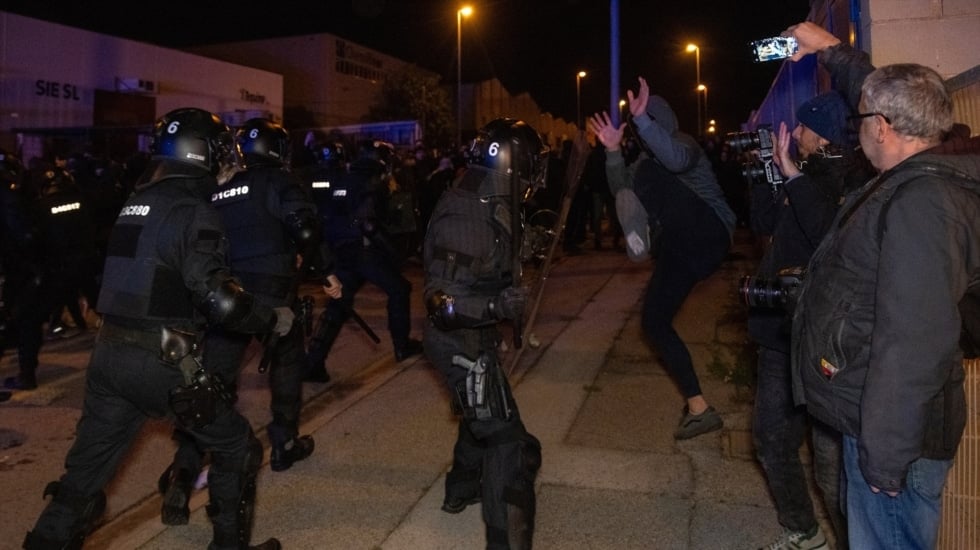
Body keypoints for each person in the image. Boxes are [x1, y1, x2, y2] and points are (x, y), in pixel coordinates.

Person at [21, 108, 291, 550]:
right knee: (239, 449)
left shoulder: (138, 201)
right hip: (162, 361)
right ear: (201, 154)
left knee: (83, 480)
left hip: (109, 356)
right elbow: (220, 299)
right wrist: (272, 319)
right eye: (222, 150)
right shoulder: (193, 210)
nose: (229, 160)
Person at [786, 21, 980, 549]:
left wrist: (885, 459)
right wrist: (832, 51)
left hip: (894, 438)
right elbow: (887, 96)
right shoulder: (921, 176)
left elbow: (914, 340)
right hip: (879, 420)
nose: (856, 129)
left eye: (861, 121)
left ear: (884, 128)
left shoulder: (924, 205)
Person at [157, 118, 343, 526]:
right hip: (273, 296)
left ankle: (182, 474)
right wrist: (325, 272)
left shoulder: (222, 190)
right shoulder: (280, 182)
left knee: (211, 388)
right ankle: (284, 443)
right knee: (288, 362)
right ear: (278, 150)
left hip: (229, 298)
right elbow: (306, 231)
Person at [746, 91, 874, 550]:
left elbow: (825, 233)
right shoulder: (801, 175)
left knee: (829, 463)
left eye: (801, 128)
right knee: (770, 439)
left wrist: (792, 176)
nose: (794, 134)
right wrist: (766, 171)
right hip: (781, 332)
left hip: (818, 340)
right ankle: (804, 531)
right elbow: (764, 219)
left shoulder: (846, 181)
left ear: (820, 135)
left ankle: (854, 541)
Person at [588, 77, 736, 440]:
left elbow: (672, 158)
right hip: (680, 247)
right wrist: (611, 151)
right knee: (653, 321)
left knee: (650, 171)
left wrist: (642, 120)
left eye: (648, 122)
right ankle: (699, 408)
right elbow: (620, 185)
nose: (642, 132)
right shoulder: (643, 162)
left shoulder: (685, 145)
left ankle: (641, 234)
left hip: (709, 229)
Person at [422, 118, 545, 549]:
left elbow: (489, 256)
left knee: (480, 417)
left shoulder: (490, 194)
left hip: (477, 337)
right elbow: (442, 306)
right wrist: (494, 306)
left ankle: (460, 489)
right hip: (458, 340)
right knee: (512, 449)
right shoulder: (465, 211)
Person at [305, 139, 422, 383]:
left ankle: (314, 362)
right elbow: (367, 222)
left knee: (339, 303)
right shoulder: (372, 180)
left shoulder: (345, 177)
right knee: (400, 289)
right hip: (363, 251)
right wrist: (394, 253)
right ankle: (402, 345)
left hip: (342, 251)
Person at [4, 166, 100, 391]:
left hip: (56, 271)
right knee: (105, 312)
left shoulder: (40, 208)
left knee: (30, 319)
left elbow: (32, 240)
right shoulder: (82, 201)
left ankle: (26, 375)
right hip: (86, 266)